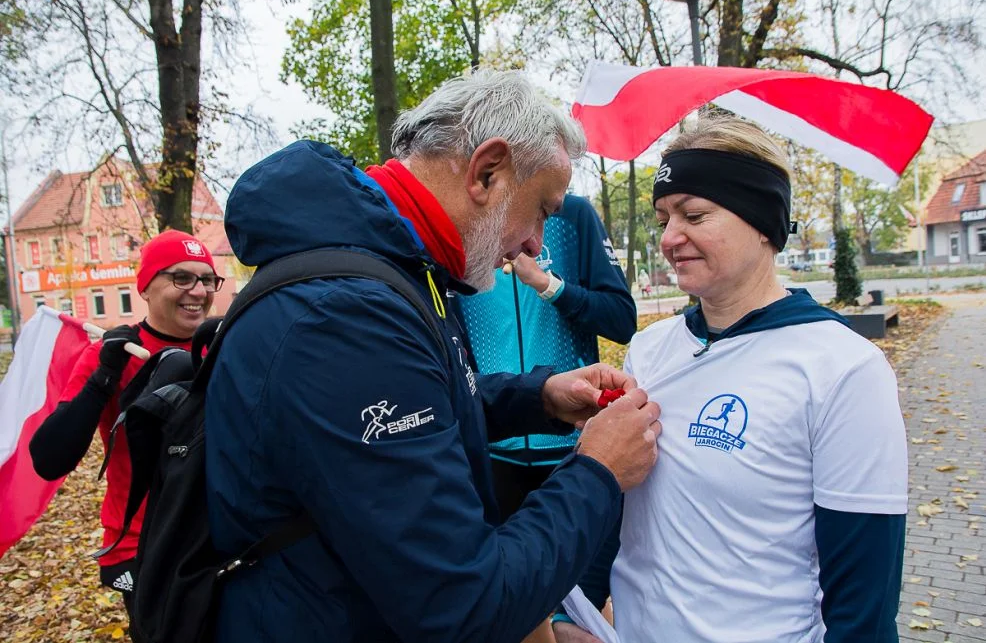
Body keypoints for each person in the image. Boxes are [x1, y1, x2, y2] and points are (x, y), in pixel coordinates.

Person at [204, 70, 663, 643]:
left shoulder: (401, 269)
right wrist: (598, 471)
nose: (535, 245)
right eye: (542, 210)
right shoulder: (348, 315)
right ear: (487, 172)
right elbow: (462, 607)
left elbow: (417, 410)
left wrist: (538, 398)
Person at [554, 116, 907, 643]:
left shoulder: (843, 369)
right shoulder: (652, 348)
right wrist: (572, 610)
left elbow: (865, 603)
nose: (671, 238)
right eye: (664, 218)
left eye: (695, 215)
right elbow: (618, 499)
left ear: (762, 220)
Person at [453, 193, 635, 641]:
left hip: (574, 447)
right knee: (509, 613)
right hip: (494, 450)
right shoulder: (466, 219)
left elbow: (622, 319)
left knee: (582, 614)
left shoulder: (571, 216)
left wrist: (548, 285)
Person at [30, 229, 222, 615]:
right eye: (180, 277)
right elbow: (50, 458)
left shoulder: (223, 344)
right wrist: (104, 377)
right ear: (146, 287)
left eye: (206, 279)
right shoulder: (110, 354)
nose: (198, 291)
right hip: (141, 543)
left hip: (218, 535)